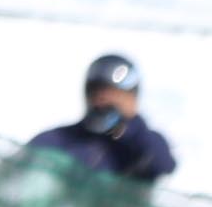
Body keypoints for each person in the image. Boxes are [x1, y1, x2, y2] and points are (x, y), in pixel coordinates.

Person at [28, 53, 177, 183]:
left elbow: (164, 165)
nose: (105, 99)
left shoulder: (142, 144)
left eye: (116, 93)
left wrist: (132, 123)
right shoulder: (60, 138)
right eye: (98, 91)